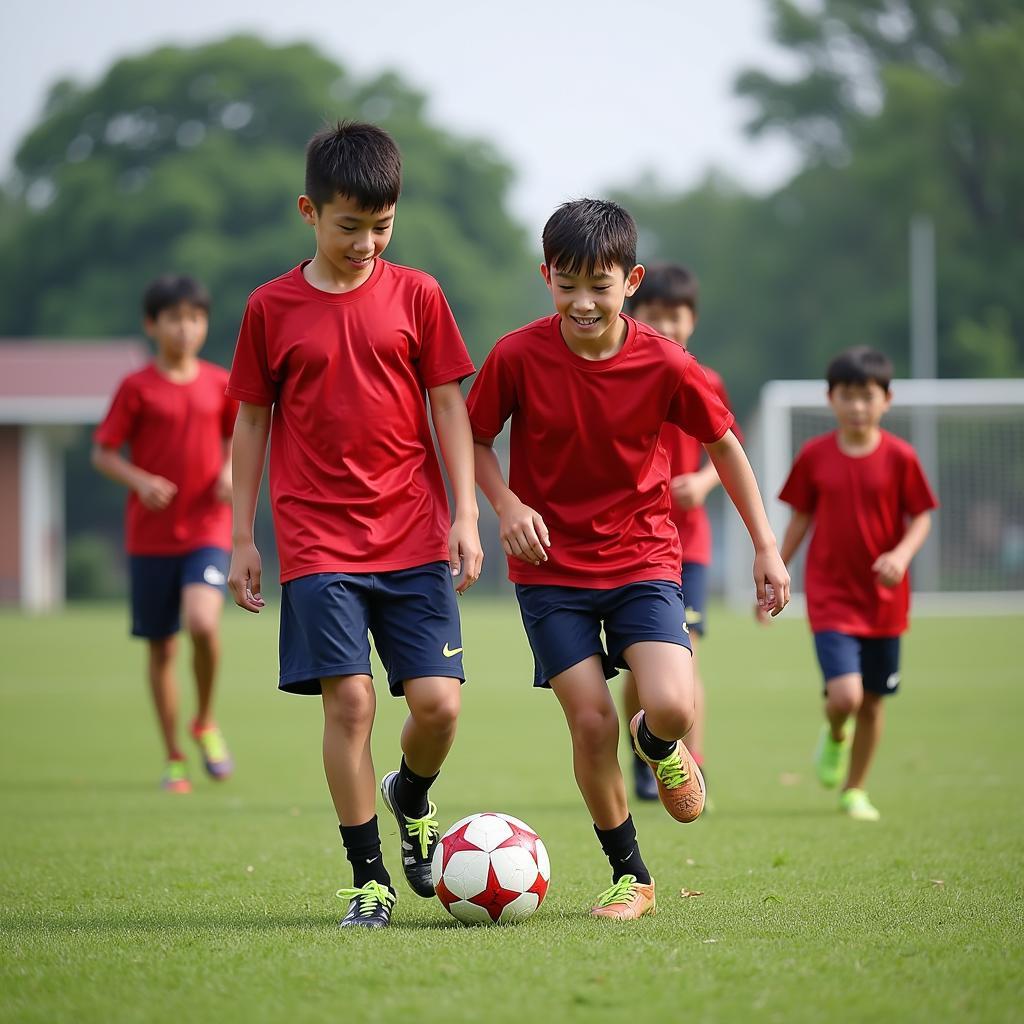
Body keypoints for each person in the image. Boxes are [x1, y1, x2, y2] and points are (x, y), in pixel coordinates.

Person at [467, 198, 789, 920]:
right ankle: (631, 877)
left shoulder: (665, 362)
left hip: (643, 557)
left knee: (671, 705)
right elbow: (475, 439)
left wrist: (766, 546)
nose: (583, 302)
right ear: (545, 276)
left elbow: (724, 444)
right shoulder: (516, 355)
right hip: (550, 570)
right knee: (589, 724)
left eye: (600, 285)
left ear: (631, 280)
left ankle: (658, 744)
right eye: (567, 284)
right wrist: (506, 506)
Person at [226, 121, 482, 929]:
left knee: (438, 705)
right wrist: (241, 535)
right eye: (349, 226)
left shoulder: (419, 296)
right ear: (309, 211)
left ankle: (410, 792)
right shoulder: (270, 308)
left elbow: (449, 406)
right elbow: (252, 424)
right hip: (316, 541)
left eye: (382, 225)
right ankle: (368, 881)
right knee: (352, 705)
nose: (367, 241)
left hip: (412, 531)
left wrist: (467, 513)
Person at [774, 347, 937, 821]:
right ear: (831, 399)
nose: (857, 406)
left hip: (884, 602)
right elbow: (800, 519)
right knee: (845, 696)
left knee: (872, 702)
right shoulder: (815, 456)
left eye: (867, 396)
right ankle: (835, 734)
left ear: (886, 399)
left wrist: (901, 555)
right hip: (831, 597)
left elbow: (922, 516)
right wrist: (777, 570)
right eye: (848, 396)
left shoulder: (902, 458)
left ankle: (855, 790)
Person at [93, 274, 237, 794]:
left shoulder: (219, 383)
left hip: (206, 529)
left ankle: (204, 720)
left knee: (202, 622)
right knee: (161, 650)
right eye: (174, 318)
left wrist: (227, 471)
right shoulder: (136, 389)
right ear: (151, 324)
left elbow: (237, 436)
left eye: (195, 318)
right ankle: (174, 755)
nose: (186, 328)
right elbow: (103, 451)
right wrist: (141, 479)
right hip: (151, 538)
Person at [620, 264, 737, 803]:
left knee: (682, 655)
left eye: (677, 315)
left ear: (693, 320)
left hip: (687, 544)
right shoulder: (624, 376)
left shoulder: (704, 380)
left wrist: (704, 482)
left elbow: (727, 448)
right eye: (655, 314)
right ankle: (644, 754)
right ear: (632, 312)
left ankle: (693, 760)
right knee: (639, 668)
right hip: (633, 543)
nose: (666, 324)